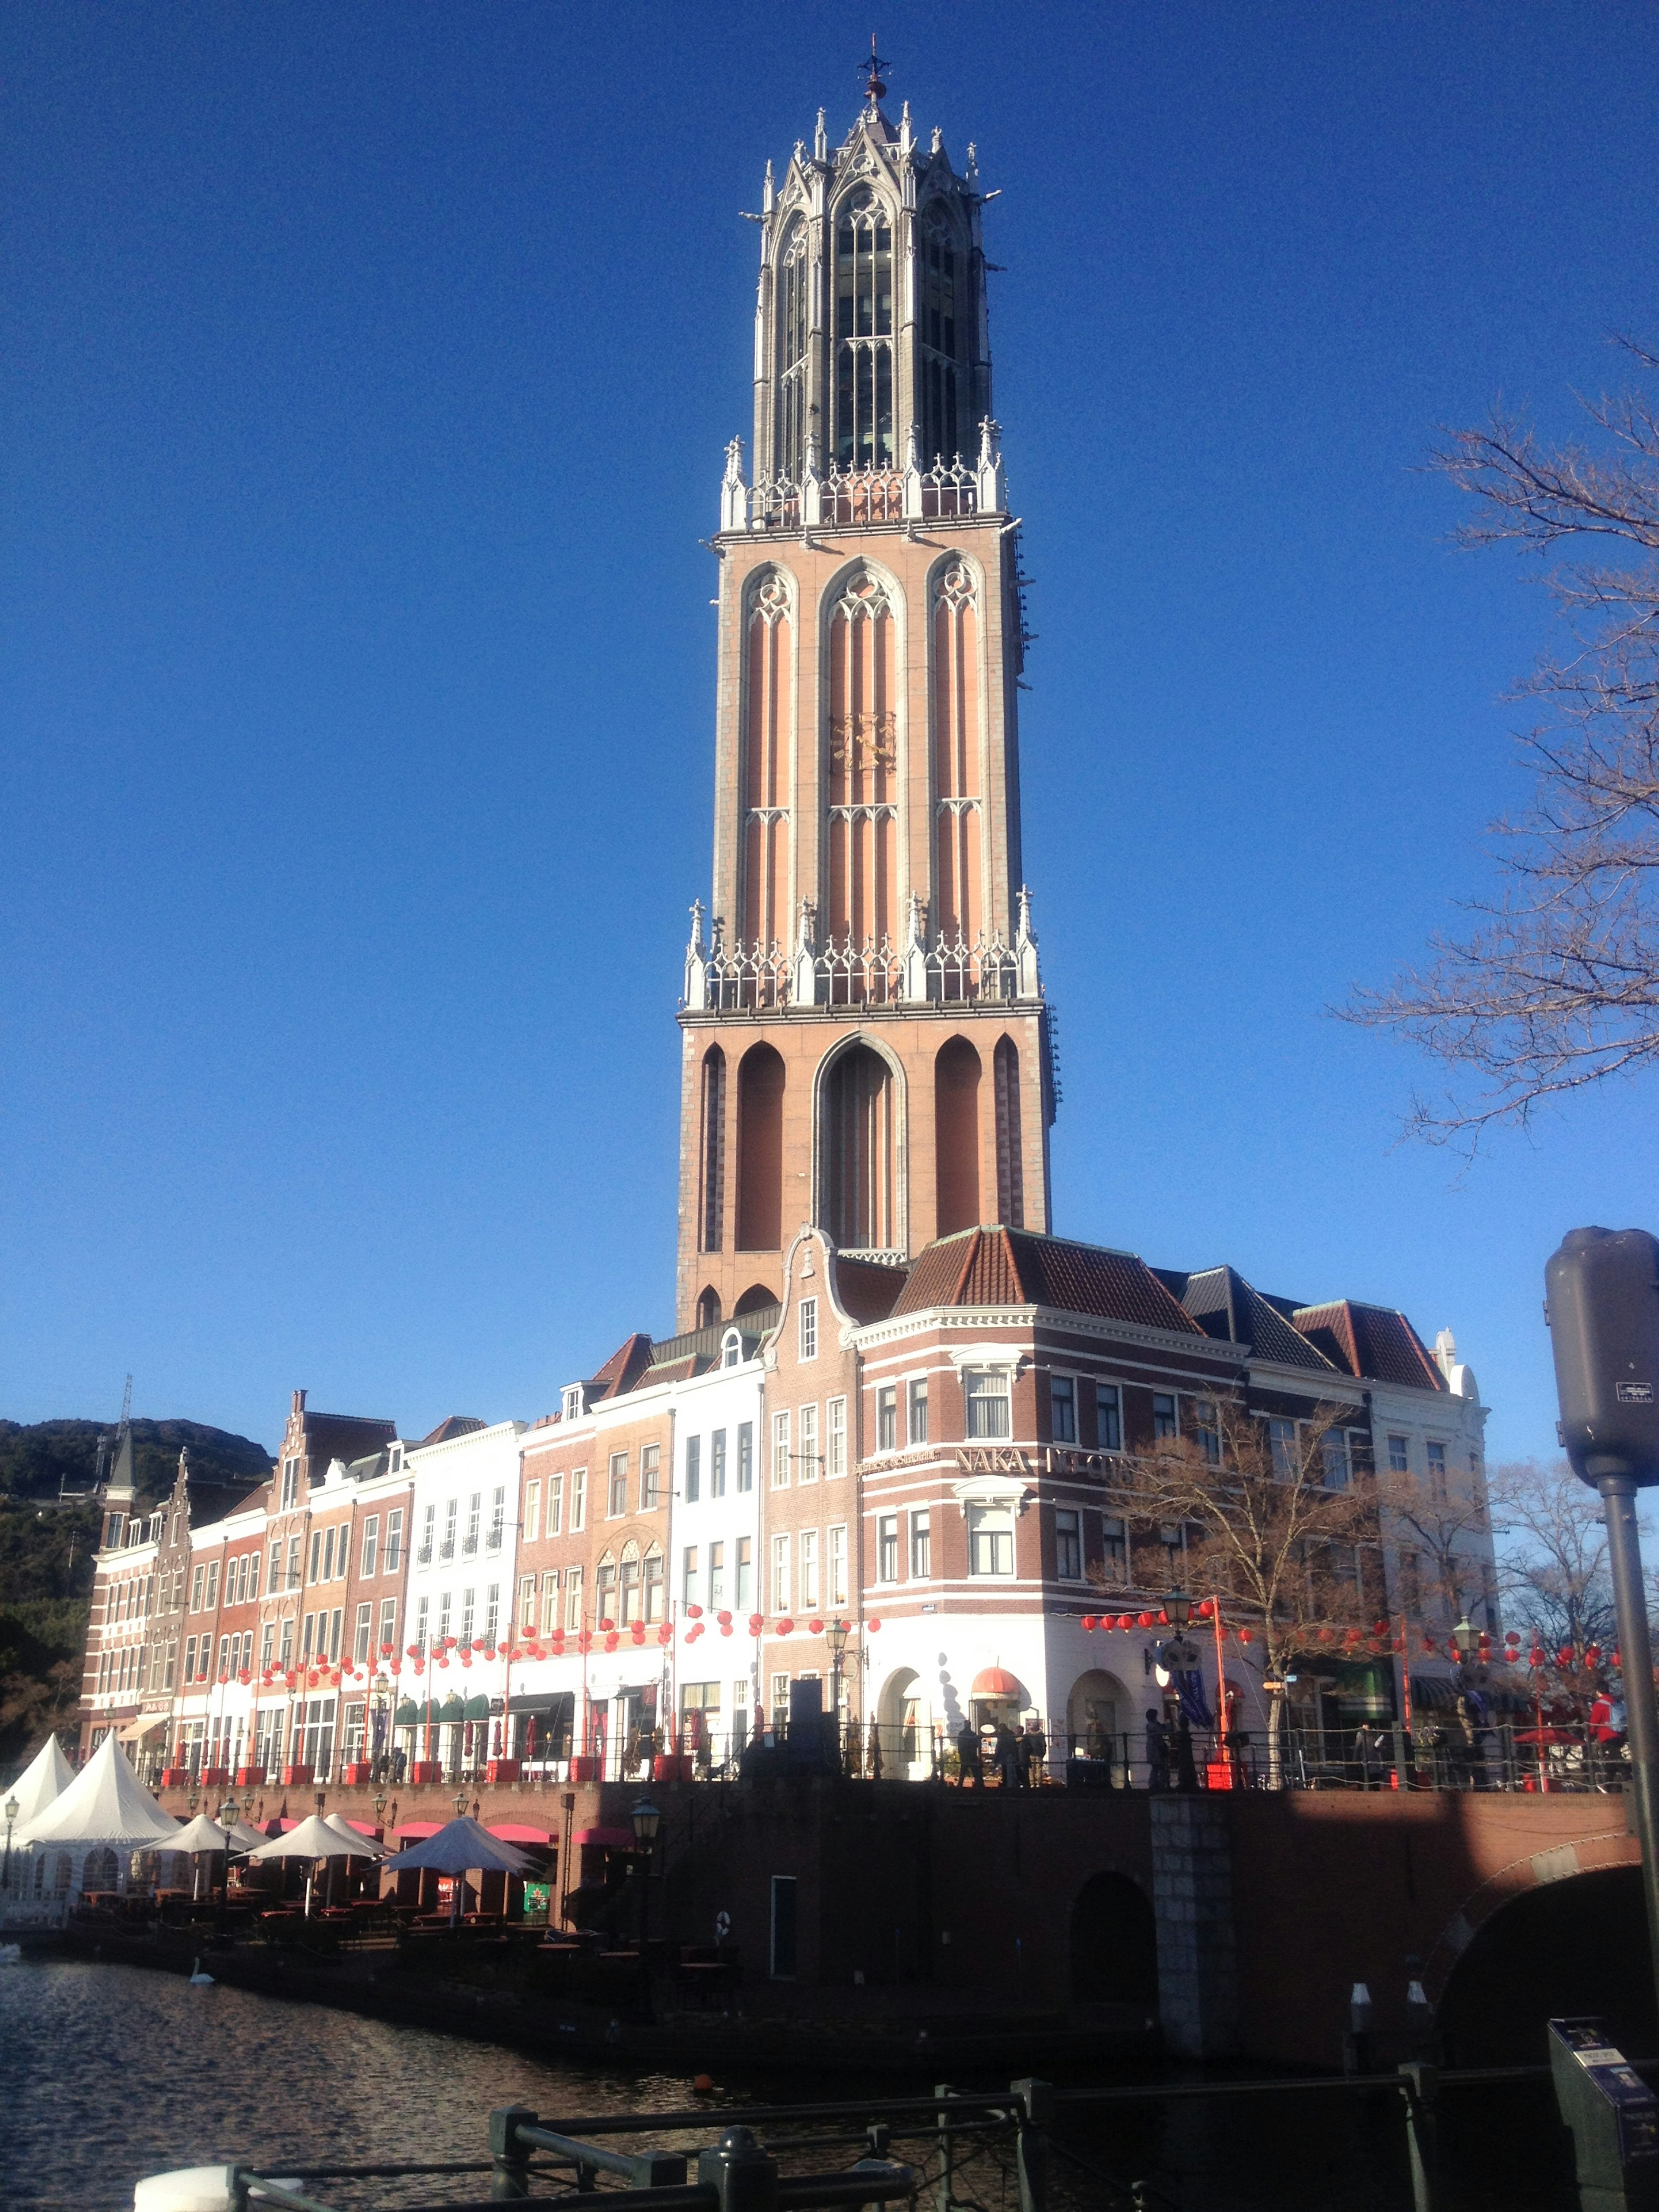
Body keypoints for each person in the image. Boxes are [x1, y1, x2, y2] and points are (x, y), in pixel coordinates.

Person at [1354, 1721, 1385, 1789]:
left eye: (1366, 1725)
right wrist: (1355, 1761)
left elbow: (1380, 1749)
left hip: (1374, 1761)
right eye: (1364, 1725)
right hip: (1364, 1762)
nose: (1365, 1727)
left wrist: (1379, 1745)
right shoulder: (1361, 1736)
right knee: (1363, 1780)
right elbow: (1357, 1748)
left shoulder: (1375, 1735)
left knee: (1374, 1781)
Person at [1144, 1709, 1169, 1792]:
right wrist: (1168, 1725)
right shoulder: (1155, 1726)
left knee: (1155, 1768)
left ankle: (1153, 1784)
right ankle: (1161, 1784)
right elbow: (1163, 1732)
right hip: (1157, 1749)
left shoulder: (1149, 1726)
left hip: (1152, 1749)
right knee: (1161, 1767)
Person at [1020, 1716, 1048, 1789]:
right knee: (1039, 1769)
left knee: (1031, 1769)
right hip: (1039, 1754)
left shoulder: (1029, 1735)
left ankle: (1032, 1783)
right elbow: (1044, 1745)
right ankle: (1038, 1783)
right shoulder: (1041, 1735)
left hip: (1031, 1754)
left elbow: (1024, 1742)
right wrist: (1043, 1754)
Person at [956, 1717, 982, 1788]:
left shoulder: (962, 1734)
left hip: (965, 1755)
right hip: (972, 1754)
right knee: (974, 1770)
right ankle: (979, 1784)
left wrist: (961, 1753)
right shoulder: (973, 1734)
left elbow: (960, 1744)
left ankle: (960, 1785)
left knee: (963, 1770)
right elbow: (976, 1744)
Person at [995, 1720, 1020, 1789]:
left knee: (1005, 1769)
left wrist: (996, 1754)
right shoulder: (1011, 1733)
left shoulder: (1001, 1735)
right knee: (1011, 1769)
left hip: (1004, 1753)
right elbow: (1014, 1744)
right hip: (1011, 1753)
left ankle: (1006, 1783)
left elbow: (999, 1745)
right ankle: (1012, 1784)